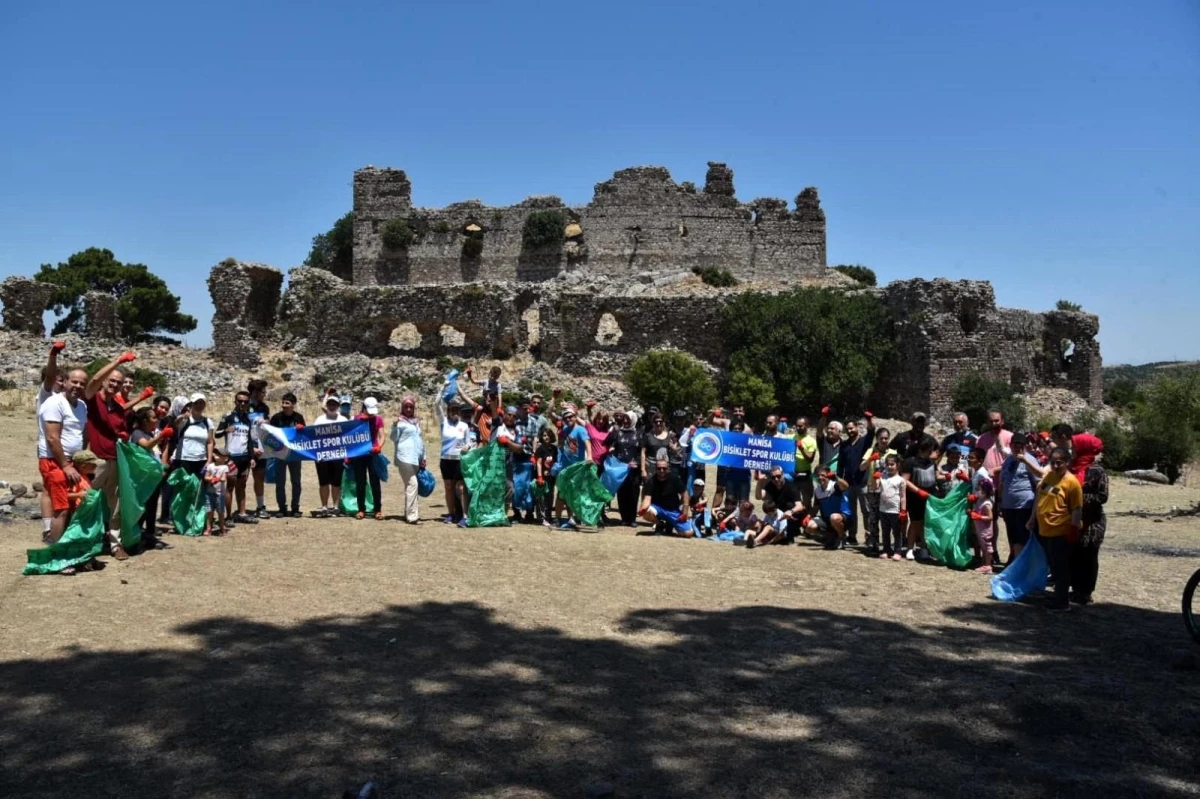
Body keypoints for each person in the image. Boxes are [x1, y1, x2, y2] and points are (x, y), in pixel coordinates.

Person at [83, 351, 137, 559]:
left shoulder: (117, 407)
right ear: (105, 381)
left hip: (114, 460)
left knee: (116, 505)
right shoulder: (92, 399)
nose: (114, 385)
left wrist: (122, 434)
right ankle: (85, 543)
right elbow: (94, 380)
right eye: (112, 380)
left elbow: (121, 428)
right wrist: (117, 361)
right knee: (87, 501)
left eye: (119, 382)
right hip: (95, 461)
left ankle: (115, 545)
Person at [37, 367, 89, 545]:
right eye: (74, 382)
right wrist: (65, 465)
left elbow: (82, 433)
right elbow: (52, 437)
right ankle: (55, 549)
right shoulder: (54, 403)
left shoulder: (81, 406)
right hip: (55, 461)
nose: (78, 386)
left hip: (73, 462)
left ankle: (65, 542)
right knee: (62, 507)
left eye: (82, 383)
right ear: (65, 382)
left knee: (72, 504)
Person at [1028, 447, 1083, 611]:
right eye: (1052, 462)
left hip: (1061, 531)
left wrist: (1073, 529)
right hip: (1045, 529)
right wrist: (1032, 518)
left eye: (1059, 462)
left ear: (1067, 462)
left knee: (1061, 568)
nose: (1056, 466)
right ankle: (1057, 597)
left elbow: (1077, 509)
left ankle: (1061, 603)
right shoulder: (1049, 476)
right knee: (1053, 566)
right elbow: (1039, 497)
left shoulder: (1072, 483)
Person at [995, 433, 1044, 564]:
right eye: (1014, 445)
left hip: (1024, 506)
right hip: (1008, 506)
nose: (1017, 448)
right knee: (1013, 537)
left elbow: (1039, 482)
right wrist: (999, 502)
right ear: (1010, 446)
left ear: (1025, 447)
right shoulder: (1008, 460)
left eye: (1020, 446)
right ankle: (1015, 563)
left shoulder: (1030, 460)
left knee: (1024, 538)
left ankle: (1022, 566)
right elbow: (1002, 482)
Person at [129, 407, 172, 550]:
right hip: (142, 479)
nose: (156, 420)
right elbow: (146, 445)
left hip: (152, 477)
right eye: (153, 418)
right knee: (142, 508)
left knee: (152, 507)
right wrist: (161, 436)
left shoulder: (149, 433)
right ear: (144, 421)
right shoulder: (137, 433)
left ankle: (149, 535)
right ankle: (136, 537)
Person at [1070, 450, 1108, 606]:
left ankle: (1086, 592)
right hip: (1074, 519)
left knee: (1089, 556)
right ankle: (1076, 589)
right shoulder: (1072, 468)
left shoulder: (1097, 471)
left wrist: (1079, 499)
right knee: (1075, 555)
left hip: (1092, 521)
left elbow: (1102, 496)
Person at [216, 390, 257, 523]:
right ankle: (228, 516)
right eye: (240, 401)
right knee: (230, 487)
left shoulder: (248, 418)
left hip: (244, 457)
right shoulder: (228, 416)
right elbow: (216, 433)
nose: (243, 403)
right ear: (235, 401)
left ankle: (242, 513)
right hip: (231, 457)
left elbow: (250, 440)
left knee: (242, 486)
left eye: (246, 401)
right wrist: (225, 430)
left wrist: (252, 457)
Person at [435, 382, 471, 523]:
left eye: (457, 410)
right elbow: (437, 405)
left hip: (459, 460)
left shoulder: (464, 426)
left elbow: (468, 442)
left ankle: (464, 515)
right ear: (448, 411)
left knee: (461, 488)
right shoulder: (444, 423)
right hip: (445, 460)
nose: (455, 412)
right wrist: (442, 387)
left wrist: (467, 447)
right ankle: (451, 514)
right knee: (448, 488)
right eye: (452, 410)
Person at [552, 406, 592, 528]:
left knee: (573, 493)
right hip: (564, 467)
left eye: (570, 417)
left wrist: (589, 456)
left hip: (576, 468)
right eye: (566, 418)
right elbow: (551, 415)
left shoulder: (580, 430)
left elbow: (587, 443)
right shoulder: (564, 429)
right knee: (561, 493)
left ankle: (571, 518)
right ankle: (558, 519)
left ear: (575, 417)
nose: (568, 419)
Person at [839, 413, 876, 545]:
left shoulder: (864, 442)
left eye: (852, 428)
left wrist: (869, 420)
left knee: (866, 510)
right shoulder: (844, 445)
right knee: (851, 511)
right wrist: (839, 481)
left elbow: (872, 431)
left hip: (863, 482)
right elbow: (840, 465)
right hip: (848, 483)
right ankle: (852, 535)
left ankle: (869, 535)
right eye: (847, 429)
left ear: (857, 427)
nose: (850, 431)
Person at [267, 393, 306, 517]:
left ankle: (295, 508)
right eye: (283, 403)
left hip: (294, 455)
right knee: (280, 482)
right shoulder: (276, 418)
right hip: (280, 454)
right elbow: (269, 434)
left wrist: (302, 429)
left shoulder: (299, 417)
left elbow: (305, 436)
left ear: (293, 405)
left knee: (296, 482)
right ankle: (282, 508)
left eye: (287, 403)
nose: (284, 405)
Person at [389, 396, 425, 524]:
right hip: (404, 456)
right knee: (413, 484)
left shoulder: (416, 422)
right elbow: (393, 438)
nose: (409, 409)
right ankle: (412, 516)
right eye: (406, 407)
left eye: (411, 407)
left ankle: (409, 513)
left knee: (410, 486)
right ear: (402, 408)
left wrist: (423, 456)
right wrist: (394, 425)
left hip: (415, 457)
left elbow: (420, 440)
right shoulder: (400, 422)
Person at [901, 438, 938, 560]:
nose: (931, 453)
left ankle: (924, 547)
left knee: (926, 522)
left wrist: (946, 476)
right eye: (929, 451)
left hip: (929, 497)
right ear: (922, 450)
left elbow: (936, 476)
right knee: (916, 522)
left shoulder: (932, 463)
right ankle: (910, 548)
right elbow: (904, 480)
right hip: (914, 497)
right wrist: (918, 491)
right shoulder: (910, 462)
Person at [312, 395, 349, 517]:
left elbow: (349, 437)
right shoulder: (319, 420)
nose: (332, 406)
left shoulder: (343, 420)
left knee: (336, 482)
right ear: (326, 405)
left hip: (338, 455)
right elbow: (312, 436)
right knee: (323, 482)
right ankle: (324, 506)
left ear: (338, 406)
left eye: (334, 404)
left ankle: (336, 506)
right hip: (322, 456)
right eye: (330, 404)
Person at [860, 427, 894, 555]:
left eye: (886, 438)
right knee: (873, 518)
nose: (884, 441)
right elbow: (862, 467)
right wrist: (870, 459)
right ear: (877, 439)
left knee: (887, 518)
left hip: (889, 490)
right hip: (873, 489)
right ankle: (873, 544)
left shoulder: (893, 452)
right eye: (881, 438)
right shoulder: (870, 450)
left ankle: (886, 545)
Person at [352, 397, 386, 520]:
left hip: (373, 454)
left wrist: (379, 446)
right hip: (359, 455)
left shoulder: (378, 419)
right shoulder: (356, 419)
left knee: (375, 483)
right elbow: (350, 437)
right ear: (364, 408)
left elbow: (382, 436)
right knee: (360, 483)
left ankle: (377, 509)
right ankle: (361, 509)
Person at [637, 458, 691, 537]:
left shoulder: (675, 479)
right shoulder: (651, 481)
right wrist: (643, 509)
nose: (662, 470)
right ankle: (659, 524)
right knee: (646, 512)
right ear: (656, 469)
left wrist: (685, 511)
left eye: (664, 468)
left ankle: (670, 524)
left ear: (668, 468)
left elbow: (685, 493)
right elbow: (647, 499)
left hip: (673, 510)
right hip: (658, 509)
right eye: (659, 468)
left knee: (688, 533)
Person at [610, 410, 642, 527]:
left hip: (634, 468)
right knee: (622, 492)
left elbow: (642, 451)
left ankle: (632, 518)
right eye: (625, 418)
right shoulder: (618, 432)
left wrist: (637, 462)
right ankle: (624, 518)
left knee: (633, 492)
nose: (626, 421)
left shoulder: (638, 434)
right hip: (620, 468)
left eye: (628, 418)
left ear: (633, 420)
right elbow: (613, 444)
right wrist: (612, 448)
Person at [757, 466, 807, 541]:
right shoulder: (770, 485)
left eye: (778, 476)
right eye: (773, 477)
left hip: (790, 516)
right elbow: (759, 497)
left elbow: (800, 506)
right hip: (777, 515)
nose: (776, 479)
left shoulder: (791, 486)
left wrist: (791, 511)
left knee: (790, 506)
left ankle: (793, 530)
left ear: (783, 475)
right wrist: (759, 481)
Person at [806, 467, 851, 549]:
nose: (820, 477)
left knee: (834, 517)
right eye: (818, 476)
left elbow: (846, 486)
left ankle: (842, 538)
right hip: (827, 520)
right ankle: (830, 536)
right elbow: (816, 507)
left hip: (843, 518)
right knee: (809, 527)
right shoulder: (817, 491)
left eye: (823, 475)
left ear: (828, 476)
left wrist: (836, 478)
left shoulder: (835, 485)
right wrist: (808, 516)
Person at [174, 393, 215, 479]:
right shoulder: (184, 420)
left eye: (202, 403)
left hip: (201, 460)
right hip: (184, 459)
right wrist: (182, 416)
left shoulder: (208, 422)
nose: (199, 406)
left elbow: (210, 442)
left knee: (198, 488)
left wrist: (209, 460)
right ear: (191, 404)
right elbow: (176, 423)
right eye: (196, 403)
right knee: (184, 487)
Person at [247, 378, 271, 519]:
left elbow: (266, 427)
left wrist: (267, 421)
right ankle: (241, 509)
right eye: (262, 392)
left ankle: (260, 506)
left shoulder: (264, 408)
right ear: (254, 392)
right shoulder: (244, 405)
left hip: (260, 447)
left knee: (259, 477)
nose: (264, 394)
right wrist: (251, 449)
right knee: (241, 479)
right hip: (246, 447)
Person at [877, 454, 907, 560]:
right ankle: (886, 549)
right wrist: (875, 478)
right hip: (883, 509)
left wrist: (903, 510)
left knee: (897, 532)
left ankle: (898, 551)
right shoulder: (882, 476)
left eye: (892, 464)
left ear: (898, 465)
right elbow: (875, 488)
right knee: (885, 531)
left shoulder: (900, 480)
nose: (889, 466)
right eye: (887, 464)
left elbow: (903, 496)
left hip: (895, 510)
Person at [203, 448, 234, 536]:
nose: (216, 455)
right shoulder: (210, 466)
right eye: (216, 453)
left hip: (219, 494)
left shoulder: (225, 467)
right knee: (209, 511)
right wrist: (212, 479)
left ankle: (222, 528)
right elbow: (206, 477)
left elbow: (224, 478)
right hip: (209, 492)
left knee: (220, 512)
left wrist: (216, 479)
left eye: (219, 454)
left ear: (225, 458)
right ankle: (208, 528)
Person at [969, 476, 996, 574]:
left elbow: (990, 517)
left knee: (987, 546)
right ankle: (985, 563)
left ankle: (988, 565)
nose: (977, 491)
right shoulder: (980, 500)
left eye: (979, 489)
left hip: (985, 529)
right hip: (980, 528)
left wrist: (979, 517)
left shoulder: (987, 504)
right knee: (983, 546)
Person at [790, 416, 818, 510]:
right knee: (793, 501)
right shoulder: (790, 437)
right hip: (792, 474)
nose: (798, 428)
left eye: (801, 426)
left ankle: (807, 520)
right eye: (797, 426)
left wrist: (801, 448)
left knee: (806, 502)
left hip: (805, 475)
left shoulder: (812, 441)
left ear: (807, 426)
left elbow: (810, 459)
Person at [977, 408, 1013, 475]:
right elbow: (977, 459)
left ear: (1002, 421)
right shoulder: (980, 439)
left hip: (1004, 479)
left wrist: (994, 470)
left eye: (996, 421)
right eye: (991, 421)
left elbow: (1013, 460)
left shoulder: (1010, 437)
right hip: (986, 479)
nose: (993, 424)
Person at [534, 427, 558, 527]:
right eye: (544, 435)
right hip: (542, 477)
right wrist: (539, 476)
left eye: (548, 435)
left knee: (550, 496)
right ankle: (542, 518)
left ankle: (549, 517)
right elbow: (539, 463)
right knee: (542, 497)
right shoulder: (541, 449)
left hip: (551, 477)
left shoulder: (554, 449)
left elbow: (556, 462)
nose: (546, 437)